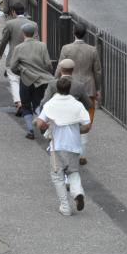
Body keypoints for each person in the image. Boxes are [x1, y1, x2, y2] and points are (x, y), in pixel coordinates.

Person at [35, 76, 91, 216]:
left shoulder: (50, 104)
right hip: (74, 145)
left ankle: (65, 207)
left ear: (57, 89)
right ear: (69, 88)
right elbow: (87, 125)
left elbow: (40, 123)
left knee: (57, 176)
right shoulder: (77, 105)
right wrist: (78, 131)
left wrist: (46, 125)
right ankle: (78, 193)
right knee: (73, 172)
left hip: (57, 145)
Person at [10, 24, 54, 139]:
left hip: (26, 80)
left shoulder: (18, 48)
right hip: (41, 80)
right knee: (38, 103)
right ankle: (43, 125)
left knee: (25, 105)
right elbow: (48, 64)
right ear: (34, 33)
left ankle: (30, 130)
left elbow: (13, 66)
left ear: (23, 33)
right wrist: (47, 72)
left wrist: (21, 72)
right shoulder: (42, 46)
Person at [0, 3, 38, 115]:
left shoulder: (10, 24)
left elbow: (4, 40)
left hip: (14, 57)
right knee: (26, 79)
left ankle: (19, 103)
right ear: (24, 12)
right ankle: (27, 102)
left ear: (13, 12)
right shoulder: (33, 24)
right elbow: (36, 42)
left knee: (14, 80)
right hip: (29, 57)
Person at [58, 21, 102, 125]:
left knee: (71, 112)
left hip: (70, 86)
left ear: (73, 32)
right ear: (85, 34)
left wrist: (56, 81)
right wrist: (98, 88)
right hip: (89, 86)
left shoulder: (66, 48)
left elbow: (60, 67)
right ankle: (85, 130)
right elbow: (97, 71)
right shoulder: (93, 50)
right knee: (89, 111)